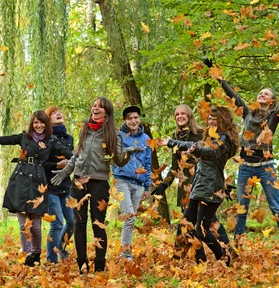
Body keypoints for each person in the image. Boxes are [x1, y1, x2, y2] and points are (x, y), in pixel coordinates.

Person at [212, 59, 279, 257]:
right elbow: (233, 95)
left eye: (266, 93)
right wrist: (219, 78)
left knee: (275, 206)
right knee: (242, 207)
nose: (262, 94)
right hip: (245, 167)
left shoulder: (274, 117)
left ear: (272, 101)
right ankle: (238, 246)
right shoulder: (248, 113)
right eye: (261, 92)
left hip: (266, 167)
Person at [0, 110, 72, 266]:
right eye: (36, 123)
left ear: (46, 125)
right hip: (21, 180)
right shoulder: (23, 137)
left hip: (38, 183)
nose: (39, 125)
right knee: (23, 225)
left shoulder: (52, 141)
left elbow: (68, 154)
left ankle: (36, 253)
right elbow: (0, 140)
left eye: (42, 123)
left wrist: (83, 158)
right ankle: (26, 255)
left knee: (36, 227)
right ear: (32, 124)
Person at [50, 97, 131, 273]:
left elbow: (118, 161)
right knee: (79, 224)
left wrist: (127, 153)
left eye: (100, 107)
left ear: (107, 112)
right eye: (94, 105)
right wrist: (66, 172)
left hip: (99, 183)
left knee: (97, 224)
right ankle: (82, 265)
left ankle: (100, 267)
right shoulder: (85, 129)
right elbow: (77, 154)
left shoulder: (113, 134)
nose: (95, 108)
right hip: (78, 181)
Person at [158, 106, 238, 264]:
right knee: (187, 224)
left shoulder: (224, 139)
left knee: (202, 230)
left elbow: (212, 153)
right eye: (209, 118)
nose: (211, 121)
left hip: (210, 188)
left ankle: (223, 256)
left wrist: (195, 151)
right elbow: (194, 145)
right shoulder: (210, 138)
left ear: (223, 120)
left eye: (215, 118)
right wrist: (172, 142)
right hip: (199, 187)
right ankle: (200, 258)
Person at [112, 105, 152, 261]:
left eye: (136, 117)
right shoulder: (118, 136)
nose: (133, 121)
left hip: (138, 183)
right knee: (129, 216)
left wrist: (147, 187)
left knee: (132, 218)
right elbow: (113, 158)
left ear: (139, 119)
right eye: (129, 118)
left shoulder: (146, 139)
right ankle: (126, 254)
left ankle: (126, 252)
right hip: (122, 180)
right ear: (125, 120)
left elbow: (148, 164)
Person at [152, 104, 203, 208]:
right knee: (186, 221)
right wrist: (164, 185)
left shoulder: (200, 134)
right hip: (184, 185)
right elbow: (175, 167)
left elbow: (210, 157)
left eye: (183, 113)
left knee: (203, 221)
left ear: (189, 116)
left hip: (201, 182)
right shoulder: (175, 138)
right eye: (177, 114)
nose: (179, 116)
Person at [44, 106, 75, 263]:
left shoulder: (69, 138)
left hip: (66, 186)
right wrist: (57, 165)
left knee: (72, 221)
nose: (58, 114)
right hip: (50, 187)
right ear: (48, 119)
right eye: (54, 113)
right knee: (56, 223)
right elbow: (41, 163)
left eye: (60, 112)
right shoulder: (45, 138)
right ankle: (51, 259)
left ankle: (61, 247)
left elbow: (74, 160)